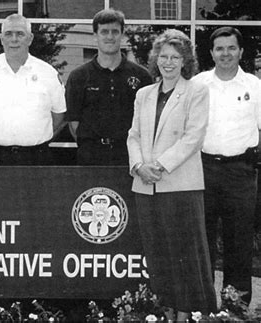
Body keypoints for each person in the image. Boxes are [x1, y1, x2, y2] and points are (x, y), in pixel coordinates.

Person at [127, 29, 217, 319]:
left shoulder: (196, 91)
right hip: (145, 185)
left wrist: (160, 165)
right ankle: (164, 310)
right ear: (155, 59)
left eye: (175, 57)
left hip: (180, 184)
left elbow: (194, 137)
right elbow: (134, 135)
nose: (168, 62)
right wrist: (139, 166)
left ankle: (188, 312)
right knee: (158, 253)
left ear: (185, 61)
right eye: (163, 56)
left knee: (186, 253)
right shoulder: (144, 94)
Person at [193, 27, 261, 305]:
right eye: (219, 48)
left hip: (241, 173)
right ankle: (202, 305)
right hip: (203, 170)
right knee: (202, 241)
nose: (225, 54)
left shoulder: (255, 87)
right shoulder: (198, 84)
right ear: (211, 53)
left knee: (239, 242)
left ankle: (236, 307)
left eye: (231, 48)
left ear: (241, 52)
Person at [0, 14, 66, 165]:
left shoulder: (48, 73)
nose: (14, 39)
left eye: (20, 34)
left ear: (30, 38)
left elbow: (59, 115)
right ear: (1, 38)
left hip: (36, 157)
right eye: (8, 34)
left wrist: (36, 137)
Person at [65, 9, 152, 165]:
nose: (110, 37)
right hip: (90, 156)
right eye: (104, 32)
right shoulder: (78, 76)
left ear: (122, 35)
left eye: (115, 32)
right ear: (95, 36)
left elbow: (148, 121)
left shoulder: (142, 76)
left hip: (130, 157)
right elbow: (73, 123)